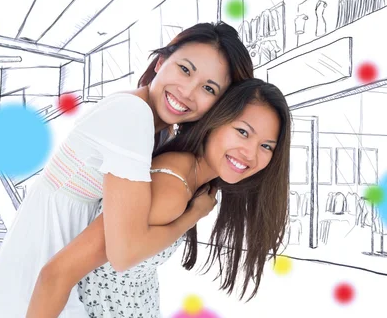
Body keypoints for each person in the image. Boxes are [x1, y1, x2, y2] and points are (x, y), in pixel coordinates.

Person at [0, 22, 254, 317]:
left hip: (54, 272)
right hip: (40, 276)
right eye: (185, 69)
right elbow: (125, 252)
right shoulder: (132, 115)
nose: (187, 91)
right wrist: (193, 214)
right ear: (161, 61)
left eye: (208, 88)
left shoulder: (157, 131)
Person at [26, 78, 291, 317]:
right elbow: (56, 274)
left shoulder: (193, 177)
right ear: (215, 120)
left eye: (266, 146)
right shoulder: (172, 187)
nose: (250, 153)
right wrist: (191, 217)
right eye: (243, 132)